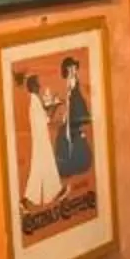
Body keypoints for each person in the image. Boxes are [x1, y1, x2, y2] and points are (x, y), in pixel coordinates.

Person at [20, 73, 66, 218]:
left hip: (41, 140)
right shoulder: (34, 103)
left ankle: (53, 192)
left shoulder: (35, 102)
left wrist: (52, 106)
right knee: (39, 169)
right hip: (40, 141)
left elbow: (45, 117)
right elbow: (46, 120)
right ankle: (29, 199)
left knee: (43, 168)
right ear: (33, 87)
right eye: (37, 84)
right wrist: (55, 106)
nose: (40, 86)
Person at [54, 55, 93, 182]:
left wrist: (69, 114)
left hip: (76, 111)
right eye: (71, 67)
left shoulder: (73, 80)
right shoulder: (71, 80)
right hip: (74, 111)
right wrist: (66, 114)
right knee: (67, 135)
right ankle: (71, 163)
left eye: (74, 67)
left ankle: (74, 163)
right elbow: (69, 98)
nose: (74, 69)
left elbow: (73, 97)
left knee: (70, 135)